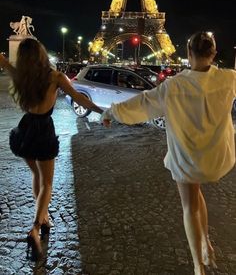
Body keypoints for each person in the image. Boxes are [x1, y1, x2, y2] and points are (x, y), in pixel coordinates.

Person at [101, 31, 236, 275]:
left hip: (186, 159)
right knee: (197, 196)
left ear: (188, 53)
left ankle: (198, 266)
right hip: (216, 158)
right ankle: (205, 243)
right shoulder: (229, 79)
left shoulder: (173, 86)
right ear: (214, 54)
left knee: (189, 207)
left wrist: (111, 112)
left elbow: (142, 104)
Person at [0, 38, 103, 261]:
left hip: (26, 129)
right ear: (42, 54)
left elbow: (3, 61)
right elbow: (78, 99)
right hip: (44, 129)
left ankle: (44, 217)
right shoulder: (55, 77)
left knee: (36, 175)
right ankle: (36, 227)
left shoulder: (20, 75)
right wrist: (100, 111)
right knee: (47, 182)